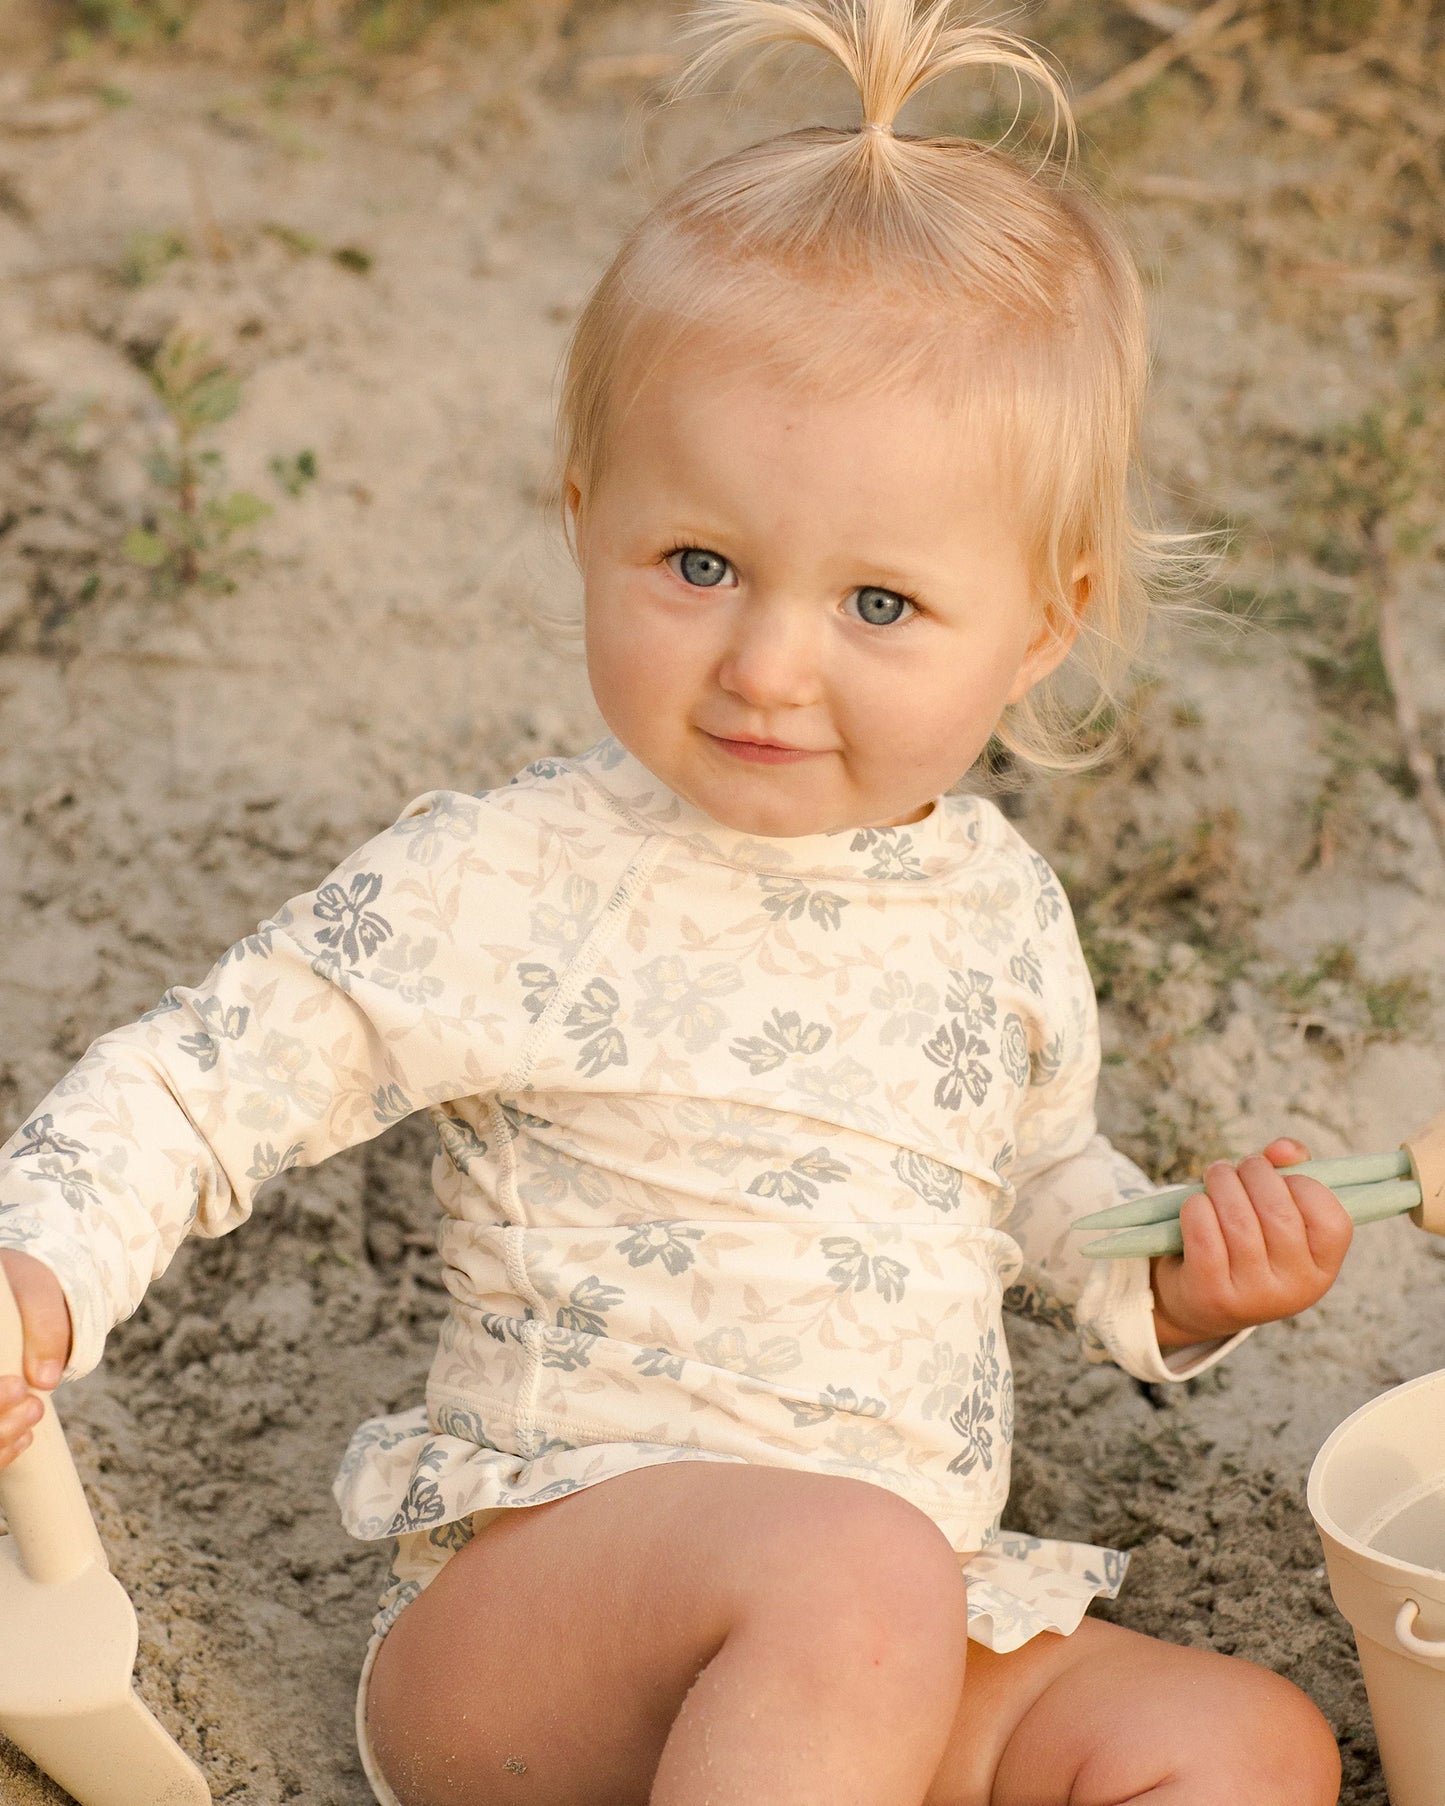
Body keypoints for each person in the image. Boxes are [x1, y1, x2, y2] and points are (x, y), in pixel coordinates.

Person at [0, 3, 1352, 1802]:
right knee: (850, 1569)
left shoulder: (997, 911)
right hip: (547, 1621)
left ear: (1039, 625)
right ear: (587, 518)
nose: (769, 664)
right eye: (698, 563)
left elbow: (1034, 1187)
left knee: (1231, 1740)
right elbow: (202, 1077)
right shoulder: (511, 878)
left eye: (878, 603)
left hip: (887, 1633)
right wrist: (32, 1272)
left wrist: (1178, 1276)